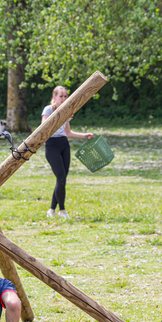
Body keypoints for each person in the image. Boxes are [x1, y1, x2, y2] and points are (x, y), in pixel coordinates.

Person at [42, 85, 94, 220]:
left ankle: (51, 210)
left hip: (64, 145)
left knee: (62, 180)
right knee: (61, 178)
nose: (64, 98)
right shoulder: (48, 109)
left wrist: (84, 136)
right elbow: (44, 127)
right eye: (61, 96)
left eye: (66, 96)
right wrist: (62, 115)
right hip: (52, 146)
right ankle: (62, 210)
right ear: (54, 97)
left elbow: (68, 132)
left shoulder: (68, 110)